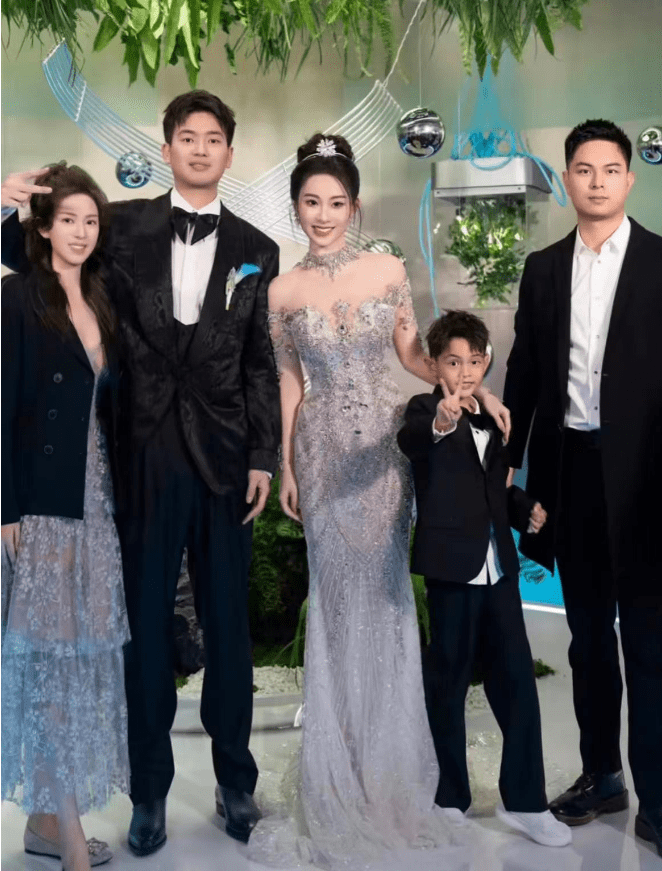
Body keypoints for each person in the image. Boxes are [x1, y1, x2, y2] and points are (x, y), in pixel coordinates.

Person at [1, 90, 281, 855]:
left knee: (229, 627)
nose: (200, 148)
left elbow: (259, 361)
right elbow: (32, 262)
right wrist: (5, 203)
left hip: (227, 462)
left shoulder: (258, 246)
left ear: (229, 152)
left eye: (213, 138)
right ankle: (148, 791)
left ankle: (235, 780)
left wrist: (265, 454)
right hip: (140, 457)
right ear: (166, 150)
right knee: (144, 629)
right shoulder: (117, 226)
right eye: (187, 136)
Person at [250, 133, 511, 869]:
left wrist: (470, 384)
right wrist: (287, 464)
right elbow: (290, 382)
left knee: (389, 602)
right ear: (295, 207)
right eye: (310, 202)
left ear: (355, 206)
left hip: (383, 461)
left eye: (336, 202)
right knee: (335, 607)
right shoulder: (281, 293)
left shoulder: (388, 270)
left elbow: (412, 355)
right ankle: (339, 773)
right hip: (323, 461)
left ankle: (392, 772)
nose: (323, 214)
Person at [503, 119, 662, 856]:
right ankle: (603, 775)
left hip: (650, 481)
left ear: (630, 178)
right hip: (572, 473)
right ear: (567, 178)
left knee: (652, 643)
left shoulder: (660, 262)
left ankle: (657, 796)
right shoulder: (542, 269)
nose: (596, 181)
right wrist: (505, 467)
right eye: (584, 169)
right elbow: (525, 374)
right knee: (589, 638)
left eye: (610, 169)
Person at [397, 310, 571, 848]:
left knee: (516, 683)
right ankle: (450, 797)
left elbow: (493, 487)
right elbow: (413, 441)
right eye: (453, 362)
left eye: (474, 361)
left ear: (485, 363)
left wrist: (523, 508)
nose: (465, 372)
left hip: (499, 569)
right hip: (451, 569)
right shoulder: (423, 409)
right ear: (435, 365)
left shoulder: (494, 419)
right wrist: (442, 420)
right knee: (447, 684)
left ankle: (526, 802)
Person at [1, 163, 129, 871]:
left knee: (79, 662)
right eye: (68, 220)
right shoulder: (17, 296)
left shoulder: (103, 294)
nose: (80, 232)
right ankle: (72, 837)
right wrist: (4, 509)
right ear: (44, 227)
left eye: (90, 220)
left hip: (97, 501)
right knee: (50, 660)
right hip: (43, 503)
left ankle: (46, 822)